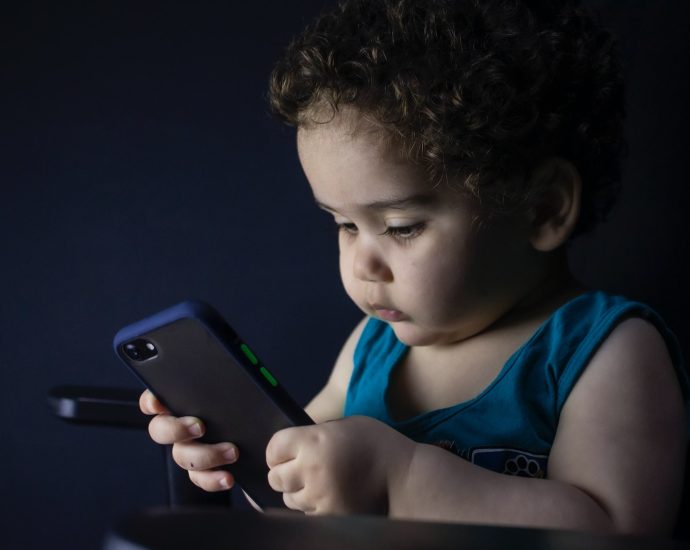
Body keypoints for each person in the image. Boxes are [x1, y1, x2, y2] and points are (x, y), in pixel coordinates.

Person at [140, 0, 689, 534]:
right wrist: (243, 452)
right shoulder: (371, 346)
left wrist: (400, 478)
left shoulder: (603, 352)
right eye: (345, 225)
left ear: (542, 207)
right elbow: (301, 496)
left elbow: (617, 533)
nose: (363, 263)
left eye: (401, 227)